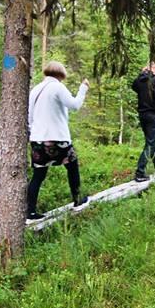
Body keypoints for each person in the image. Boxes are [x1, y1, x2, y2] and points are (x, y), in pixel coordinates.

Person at [26, 61, 90, 221]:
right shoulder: (57, 87)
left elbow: (30, 117)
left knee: (38, 175)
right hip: (56, 138)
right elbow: (74, 105)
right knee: (72, 165)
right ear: (61, 74)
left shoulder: (35, 89)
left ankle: (30, 212)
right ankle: (78, 199)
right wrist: (83, 89)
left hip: (37, 139)